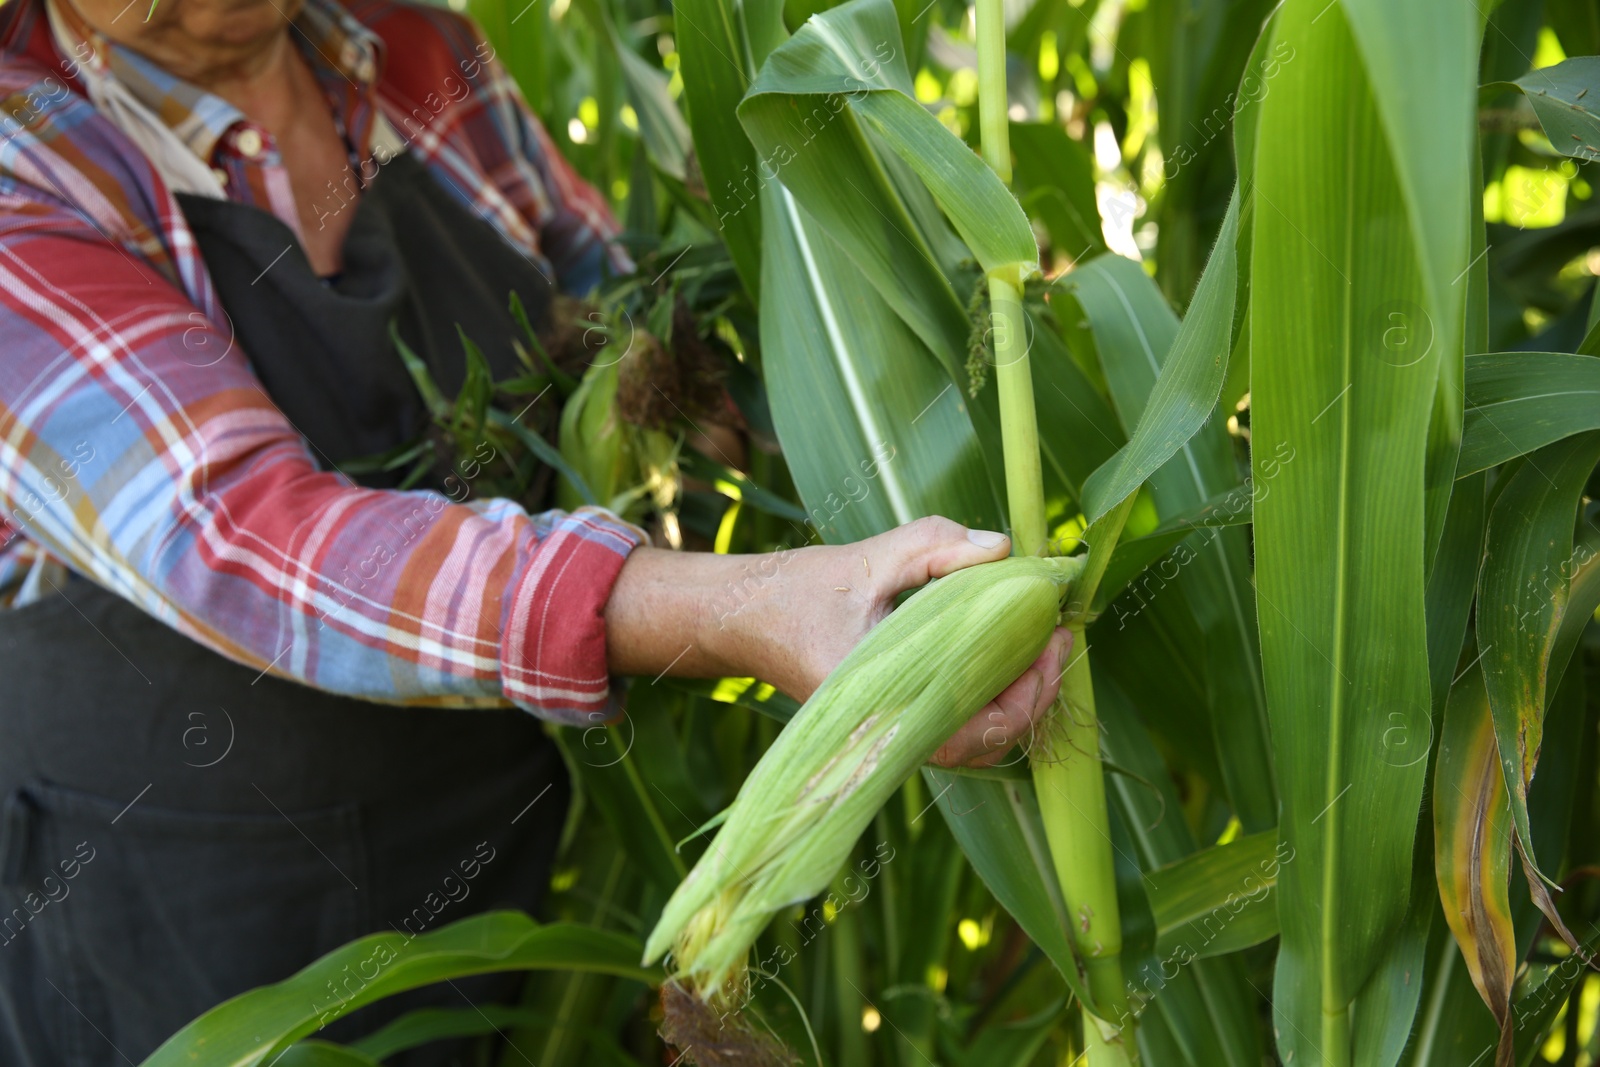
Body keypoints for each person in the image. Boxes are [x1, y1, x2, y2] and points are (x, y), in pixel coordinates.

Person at [0, 0, 1072, 1059]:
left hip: (485, 848)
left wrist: (801, 329)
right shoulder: (24, 160)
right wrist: (743, 608)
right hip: (173, 885)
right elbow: (239, 533)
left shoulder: (421, 55)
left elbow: (615, 318)